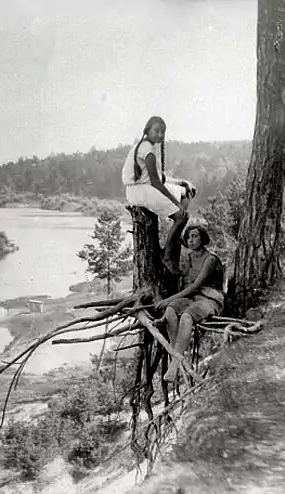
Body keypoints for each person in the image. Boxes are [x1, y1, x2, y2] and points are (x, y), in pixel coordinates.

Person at [122, 116, 197, 274]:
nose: (160, 135)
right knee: (183, 217)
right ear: (147, 130)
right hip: (141, 191)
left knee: (187, 192)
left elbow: (159, 178)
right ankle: (168, 256)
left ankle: (176, 233)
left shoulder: (146, 146)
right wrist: (176, 205)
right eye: (156, 131)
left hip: (144, 187)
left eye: (163, 132)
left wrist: (182, 182)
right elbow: (156, 183)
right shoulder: (147, 150)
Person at [152, 224, 225, 383]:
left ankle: (174, 366)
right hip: (194, 297)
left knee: (186, 316)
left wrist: (166, 300)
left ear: (203, 238)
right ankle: (176, 356)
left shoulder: (210, 259)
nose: (191, 240)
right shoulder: (191, 257)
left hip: (210, 299)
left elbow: (196, 285)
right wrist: (170, 302)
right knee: (171, 310)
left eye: (195, 236)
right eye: (188, 237)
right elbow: (187, 281)